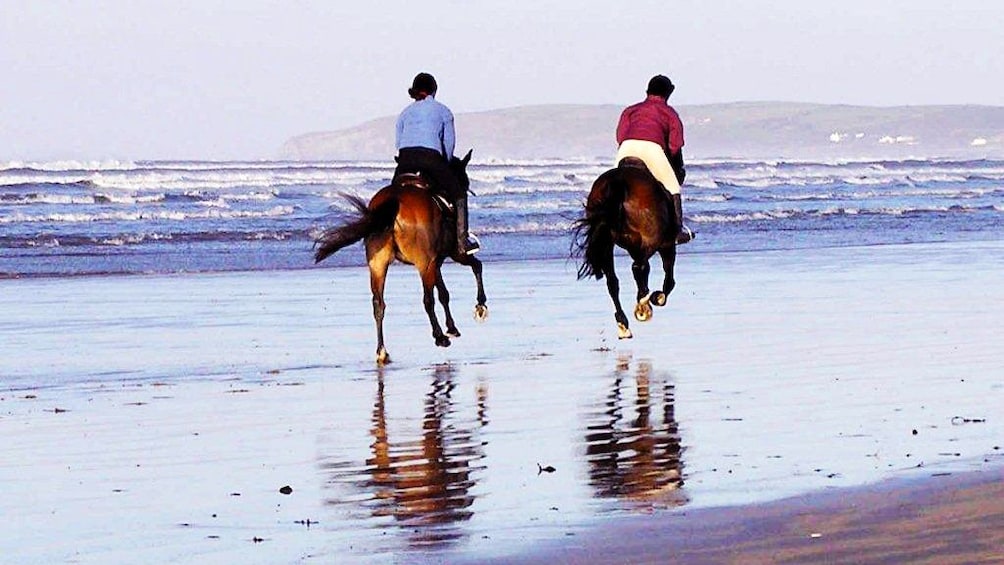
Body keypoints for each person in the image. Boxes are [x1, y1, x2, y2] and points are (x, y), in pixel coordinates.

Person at [393, 72, 479, 254]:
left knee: (393, 196)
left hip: (405, 160)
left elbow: (398, 143)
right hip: (430, 158)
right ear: (434, 91)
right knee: (459, 195)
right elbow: (448, 146)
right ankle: (463, 242)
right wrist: (445, 163)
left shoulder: (404, 113)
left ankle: (384, 236)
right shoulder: (443, 111)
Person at [615, 75, 694, 244]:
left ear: (647, 91)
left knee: (613, 186)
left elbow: (620, 136)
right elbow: (674, 146)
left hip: (626, 147)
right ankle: (677, 232)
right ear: (669, 92)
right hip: (652, 149)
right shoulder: (670, 113)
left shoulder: (630, 110)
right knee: (673, 187)